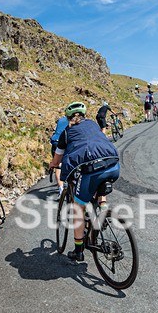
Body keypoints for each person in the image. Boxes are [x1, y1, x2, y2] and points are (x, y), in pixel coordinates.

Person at [50, 102, 120, 262]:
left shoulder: (66, 133)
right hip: (113, 163)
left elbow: (57, 158)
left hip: (90, 168)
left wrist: (53, 165)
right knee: (97, 185)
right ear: (84, 115)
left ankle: (78, 250)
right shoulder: (93, 125)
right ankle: (102, 211)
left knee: (77, 208)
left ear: (68, 118)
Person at [50, 110, 69, 194]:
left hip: (55, 141)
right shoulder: (72, 120)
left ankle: (60, 188)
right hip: (64, 142)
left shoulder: (61, 120)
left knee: (57, 165)